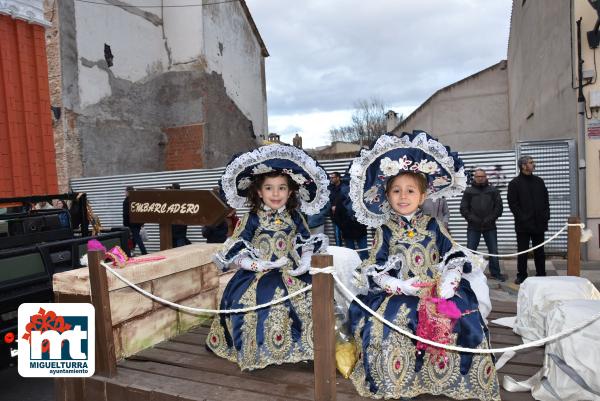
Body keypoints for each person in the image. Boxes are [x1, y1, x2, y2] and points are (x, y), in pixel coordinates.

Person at [346, 132, 499, 400]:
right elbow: (375, 266)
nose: (403, 197)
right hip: (400, 293)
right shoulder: (385, 229)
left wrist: (451, 276)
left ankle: (445, 378)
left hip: (435, 290)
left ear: (423, 194)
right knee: (391, 325)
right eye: (396, 191)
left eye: (410, 191)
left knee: (464, 320)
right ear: (387, 194)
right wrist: (396, 284)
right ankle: (400, 379)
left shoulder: (433, 224)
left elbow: (452, 252)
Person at [206, 144, 330, 370]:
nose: (275, 194)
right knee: (258, 300)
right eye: (269, 188)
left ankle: (303, 347)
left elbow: (306, 241)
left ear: (291, 191)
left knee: (311, 299)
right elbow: (236, 249)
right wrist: (256, 263)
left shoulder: (295, 215)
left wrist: (304, 261)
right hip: (257, 275)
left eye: (282, 188)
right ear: (259, 191)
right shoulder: (253, 217)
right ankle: (259, 351)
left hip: (292, 272)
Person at [507, 155, 550, 285]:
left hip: (539, 224)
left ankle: (541, 274)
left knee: (540, 252)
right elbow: (513, 204)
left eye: (533, 162)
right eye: (531, 163)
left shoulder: (539, 181)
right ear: (523, 166)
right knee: (523, 252)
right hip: (523, 226)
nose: (533, 164)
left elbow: (545, 200)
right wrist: (523, 218)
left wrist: (546, 216)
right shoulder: (514, 183)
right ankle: (522, 275)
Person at [460, 168, 506, 281]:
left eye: (482, 176)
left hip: (490, 226)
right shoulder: (468, 191)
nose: (480, 178)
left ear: (486, 177)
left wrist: (489, 219)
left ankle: (495, 273)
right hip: (473, 227)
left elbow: (499, 208)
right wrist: (474, 219)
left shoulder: (493, 190)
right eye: (478, 176)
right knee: (471, 250)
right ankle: (468, 273)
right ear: (474, 178)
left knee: (493, 251)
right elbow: (463, 208)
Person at [333, 180, 369, 260]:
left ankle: (364, 268)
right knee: (352, 254)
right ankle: (354, 269)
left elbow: (367, 212)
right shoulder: (341, 200)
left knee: (363, 253)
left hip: (359, 229)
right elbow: (336, 217)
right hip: (348, 231)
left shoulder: (359, 199)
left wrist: (364, 223)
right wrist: (343, 226)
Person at [122, 186, 147, 255]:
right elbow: (142, 211)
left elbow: (125, 214)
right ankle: (131, 252)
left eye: (125, 191)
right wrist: (142, 222)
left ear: (128, 192)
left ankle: (144, 252)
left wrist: (125, 225)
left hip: (131, 224)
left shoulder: (126, 201)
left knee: (136, 238)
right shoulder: (137, 200)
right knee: (135, 238)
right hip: (138, 223)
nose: (125, 193)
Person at [170, 183, 191, 247]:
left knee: (179, 245)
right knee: (179, 241)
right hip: (179, 226)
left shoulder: (174, 199)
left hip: (178, 226)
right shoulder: (183, 197)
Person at [329, 171, 344, 246]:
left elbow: (344, 199)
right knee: (337, 234)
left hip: (344, 215)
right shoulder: (330, 188)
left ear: (338, 178)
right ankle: (339, 249)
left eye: (333, 177)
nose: (331, 179)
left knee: (346, 234)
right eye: (330, 177)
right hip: (335, 215)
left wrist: (336, 206)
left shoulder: (344, 187)